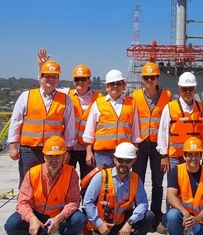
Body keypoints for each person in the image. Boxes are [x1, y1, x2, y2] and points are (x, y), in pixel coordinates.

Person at [4, 136, 86, 235]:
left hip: (58, 215)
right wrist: (32, 219)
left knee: (79, 220)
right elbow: (22, 202)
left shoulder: (71, 173)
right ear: (44, 156)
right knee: (11, 225)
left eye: (58, 156)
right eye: (50, 156)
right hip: (36, 214)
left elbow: (74, 201)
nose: (54, 160)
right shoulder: (33, 173)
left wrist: (58, 219)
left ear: (64, 156)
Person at [83, 142, 156, 235]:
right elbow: (87, 202)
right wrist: (99, 224)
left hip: (122, 219)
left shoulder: (135, 179)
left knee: (148, 216)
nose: (124, 164)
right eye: (121, 160)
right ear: (115, 159)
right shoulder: (101, 176)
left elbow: (143, 203)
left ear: (133, 161)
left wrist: (130, 222)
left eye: (127, 161)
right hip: (103, 223)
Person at [157, 72, 203, 235]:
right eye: (184, 88)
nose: (187, 91)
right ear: (179, 89)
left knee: (193, 192)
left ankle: (190, 223)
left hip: (194, 158)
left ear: (195, 89)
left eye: (190, 88)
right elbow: (163, 132)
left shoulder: (202, 107)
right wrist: (164, 155)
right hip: (175, 157)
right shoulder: (170, 107)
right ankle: (170, 227)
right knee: (173, 192)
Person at [7, 59, 76, 187]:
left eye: (54, 76)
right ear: (40, 78)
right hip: (30, 150)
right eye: (47, 76)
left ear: (58, 79)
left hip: (54, 152)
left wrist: (68, 150)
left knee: (52, 183)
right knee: (28, 183)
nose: (51, 79)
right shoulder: (26, 96)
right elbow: (16, 122)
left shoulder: (65, 100)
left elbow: (70, 127)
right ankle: (24, 207)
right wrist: (12, 146)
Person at [37, 49, 101, 180]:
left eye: (83, 79)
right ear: (73, 81)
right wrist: (42, 67)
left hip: (88, 149)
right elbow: (47, 86)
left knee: (88, 181)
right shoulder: (66, 94)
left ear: (89, 81)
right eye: (77, 79)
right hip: (68, 148)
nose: (80, 82)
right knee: (64, 180)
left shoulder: (99, 98)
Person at [132, 62, 172, 233]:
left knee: (157, 182)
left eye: (152, 77)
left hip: (158, 145)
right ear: (142, 79)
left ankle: (156, 215)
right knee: (137, 181)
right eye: (146, 77)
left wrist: (166, 152)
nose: (149, 80)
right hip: (140, 145)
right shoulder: (135, 96)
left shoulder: (167, 96)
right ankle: (138, 214)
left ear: (158, 78)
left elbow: (170, 125)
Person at [82, 69, 141, 170]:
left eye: (118, 83)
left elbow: (135, 131)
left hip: (124, 154)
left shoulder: (131, 104)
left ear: (123, 85)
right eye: (112, 84)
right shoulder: (98, 103)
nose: (115, 86)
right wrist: (89, 152)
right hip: (102, 155)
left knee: (121, 184)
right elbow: (89, 131)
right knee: (103, 183)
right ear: (107, 86)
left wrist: (135, 150)